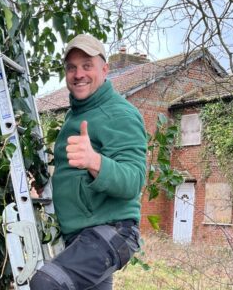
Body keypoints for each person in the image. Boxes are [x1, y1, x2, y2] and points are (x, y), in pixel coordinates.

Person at [30, 34, 148, 290]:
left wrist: (96, 162)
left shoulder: (119, 113)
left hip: (112, 232)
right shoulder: (78, 114)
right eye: (71, 67)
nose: (78, 73)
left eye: (86, 65)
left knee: (46, 283)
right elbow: (74, 176)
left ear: (104, 69)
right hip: (83, 236)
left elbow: (134, 180)